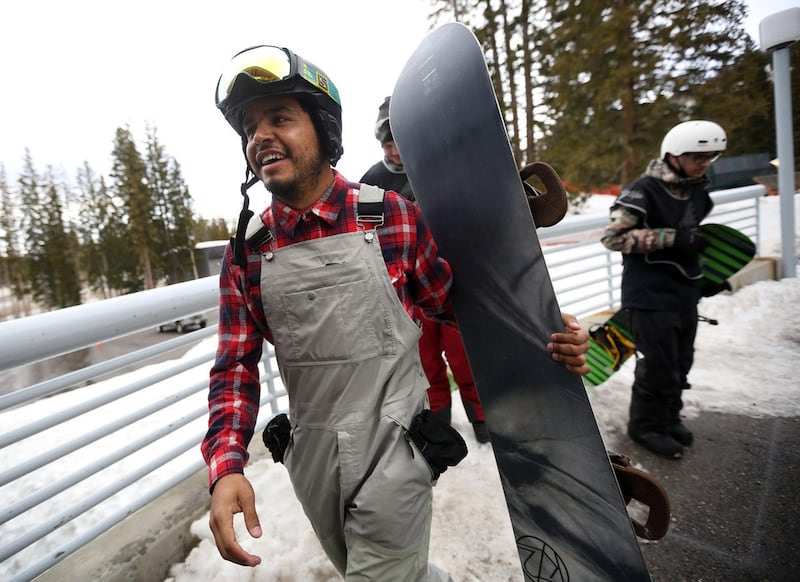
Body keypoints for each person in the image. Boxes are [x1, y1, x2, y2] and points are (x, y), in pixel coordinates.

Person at [201, 44, 591, 580]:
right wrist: (226, 465)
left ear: (323, 130)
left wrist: (543, 330)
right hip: (312, 458)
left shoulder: (392, 218)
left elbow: (459, 309)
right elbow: (234, 367)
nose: (260, 136)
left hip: (396, 450)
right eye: (250, 128)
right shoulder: (246, 251)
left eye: (279, 119)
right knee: (383, 571)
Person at [361, 96, 490, 443]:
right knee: (426, 361)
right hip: (406, 288)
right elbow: (362, 235)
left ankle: (482, 419)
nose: (395, 152)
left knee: (464, 357)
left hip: (452, 281)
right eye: (388, 145)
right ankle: (439, 423)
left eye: (400, 142)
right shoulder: (372, 182)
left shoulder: (443, 168)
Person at [601, 120, 727, 460]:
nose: (705, 163)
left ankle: (669, 418)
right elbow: (613, 238)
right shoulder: (643, 191)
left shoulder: (696, 192)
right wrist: (671, 238)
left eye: (710, 157)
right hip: (649, 297)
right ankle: (646, 426)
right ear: (674, 155)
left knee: (681, 363)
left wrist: (709, 277)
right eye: (698, 157)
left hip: (684, 293)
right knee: (657, 367)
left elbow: (695, 240)